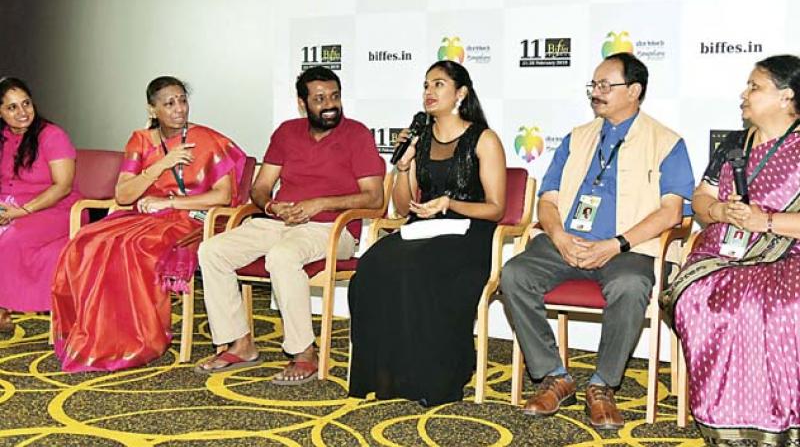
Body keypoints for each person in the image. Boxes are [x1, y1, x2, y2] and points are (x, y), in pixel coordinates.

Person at [501, 53, 694, 429]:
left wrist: (616, 244)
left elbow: (673, 212)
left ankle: (603, 384)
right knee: (514, 274)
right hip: (567, 243)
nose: (596, 92)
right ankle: (555, 376)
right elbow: (548, 198)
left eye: (606, 85)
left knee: (631, 284)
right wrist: (558, 236)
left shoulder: (667, 142)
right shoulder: (578, 137)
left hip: (629, 250)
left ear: (634, 91)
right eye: (594, 85)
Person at [196, 67, 385, 383]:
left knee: (283, 257)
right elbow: (261, 187)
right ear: (302, 103)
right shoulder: (286, 132)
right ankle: (239, 343)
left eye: (334, 97)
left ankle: (303, 353)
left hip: (331, 228)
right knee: (212, 251)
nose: (329, 105)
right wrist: (271, 205)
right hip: (280, 222)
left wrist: (321, 203)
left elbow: (374, 197)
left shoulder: (357, 134)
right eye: (319, 98)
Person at [51, 76, 246, 372]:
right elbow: (124, 193)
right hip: (144, 215)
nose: (179, 108)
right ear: (152, 109)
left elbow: (223, 195)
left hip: (190, 218)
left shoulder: (208, 139)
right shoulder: (140, 141)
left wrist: (170, 203)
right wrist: (160, 166)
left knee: (135, 247)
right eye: (169, 103)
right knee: (87, 241)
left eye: (182, 100)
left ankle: (141, 339)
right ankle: (99, 335)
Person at [347, 60, 507, 406]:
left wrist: (449, 203)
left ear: (460, 94)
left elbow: (496, 207)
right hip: (424, 229)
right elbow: (404, 208)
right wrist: (404, 169)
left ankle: (434, 377)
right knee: (373, 263)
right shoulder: (419, 140)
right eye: (425, 85)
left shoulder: (484, 139)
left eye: (438, 85)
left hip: (469, 233)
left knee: (420, 268)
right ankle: (389, 374)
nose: (429, 92)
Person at [662, 54, 800, 446]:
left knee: (781, 308)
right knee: (698, 298)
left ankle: (785, 422)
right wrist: (720, 210)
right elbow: (701, 197)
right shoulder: (735, 144)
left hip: (789, 251)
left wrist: (766, 222)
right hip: (728, 252)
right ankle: (725, 421)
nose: (744, 94)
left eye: (755, 87)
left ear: (786, 96)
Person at [0, 77, 81, 332]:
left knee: (9, 238)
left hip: (55, 208)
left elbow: (63, 186)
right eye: (12, 107)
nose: (22, 112)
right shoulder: (2, 137)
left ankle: (2, 309)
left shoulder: (52, 135)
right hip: (9, 205)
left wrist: (20, 212)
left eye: (26, 103)